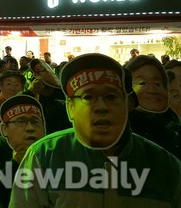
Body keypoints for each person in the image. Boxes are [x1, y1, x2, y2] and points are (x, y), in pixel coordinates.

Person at [10, 53, 181, 207]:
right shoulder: (44, 156)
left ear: (128, 104)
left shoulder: (167, 167)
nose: (101, 107)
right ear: (70, 108)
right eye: (88, 97)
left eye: (111, 97)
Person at [0, 95, 46, 208]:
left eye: (35, 122)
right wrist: (15, 163)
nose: (30, 128)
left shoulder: (51, 151)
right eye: (21, 121)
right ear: (4, 129)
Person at [126, 55, 181, 159]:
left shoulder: (174, 128)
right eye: (142, 83)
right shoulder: (118, 132)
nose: (151, 89)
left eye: (157, 83)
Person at [25, 59, 71, 134]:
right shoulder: (33, 95)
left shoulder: (65, 93)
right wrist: (30, 92)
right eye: (37, 73)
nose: (41, 76)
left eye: (44, 71)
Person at [0, 70, 26, 139]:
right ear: (1, 85)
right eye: (8, 84)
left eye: (17, 85)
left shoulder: (24, 105)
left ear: (22, 88)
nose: (12, 88)